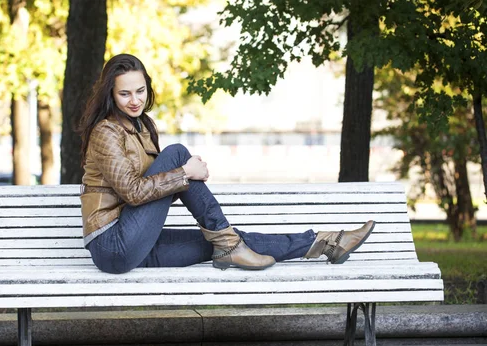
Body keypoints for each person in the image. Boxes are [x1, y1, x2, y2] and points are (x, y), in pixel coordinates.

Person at [78, 54, 375, 274]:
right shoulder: (106, 131)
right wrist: (184, 172)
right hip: (113, 245)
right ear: (111, 94)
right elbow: (132, 191)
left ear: (148, 88)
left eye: (140, 91)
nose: (134, 100)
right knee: (178, 153)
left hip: (139, 242)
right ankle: (229, 241)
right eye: (124, 93)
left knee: (226, 242)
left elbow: (150, 191)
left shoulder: (143, 126)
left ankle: (328, 242)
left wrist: (183, 178)